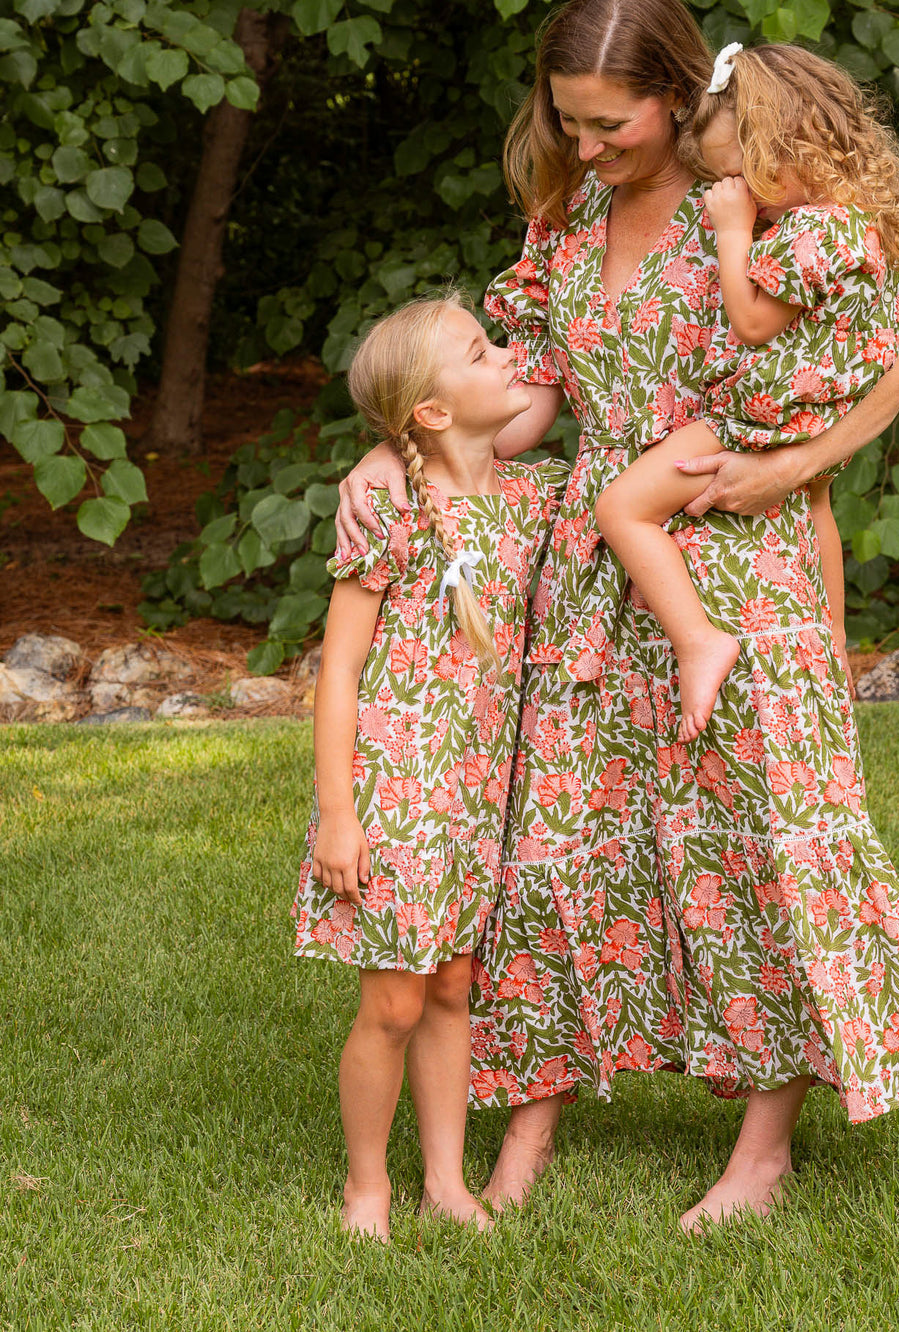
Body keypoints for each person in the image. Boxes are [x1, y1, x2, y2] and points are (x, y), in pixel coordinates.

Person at [336, 0, 899, 1233]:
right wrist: (383, 450)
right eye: (569, 122)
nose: (585, 147)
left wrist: (783, 467)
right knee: (558, 844)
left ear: (682, 100)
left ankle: (763, 1145)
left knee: (754, 842)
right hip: (590, 570)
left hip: (740, 550)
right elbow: (512, 399)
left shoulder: (770, 211)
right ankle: (531, 1116)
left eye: (611, 124)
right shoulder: (566, 233)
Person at [293, 291, 564, 1241]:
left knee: (454, 984)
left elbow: (555, 380)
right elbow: (340, 670)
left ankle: (446, 1180)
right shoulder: (391, 506)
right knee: (396, 1000)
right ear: (433, 414)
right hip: (397, 790)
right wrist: (338, 810)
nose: (507, 360)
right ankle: (368, 1182)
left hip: (482, 790)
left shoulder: (532, 497)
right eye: (481, 353)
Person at [595, 42, 899, 741]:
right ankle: (833, 644)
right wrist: (854, 310)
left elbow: (753, 323)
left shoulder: (806, 232)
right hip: (826, 415)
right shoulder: (880, 213)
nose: (743, 191)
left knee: (623, 508)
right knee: (817, 505)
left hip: (760, 413)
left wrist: (734, 235)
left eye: (747, 173)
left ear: (793, 142)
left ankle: (697, 639)